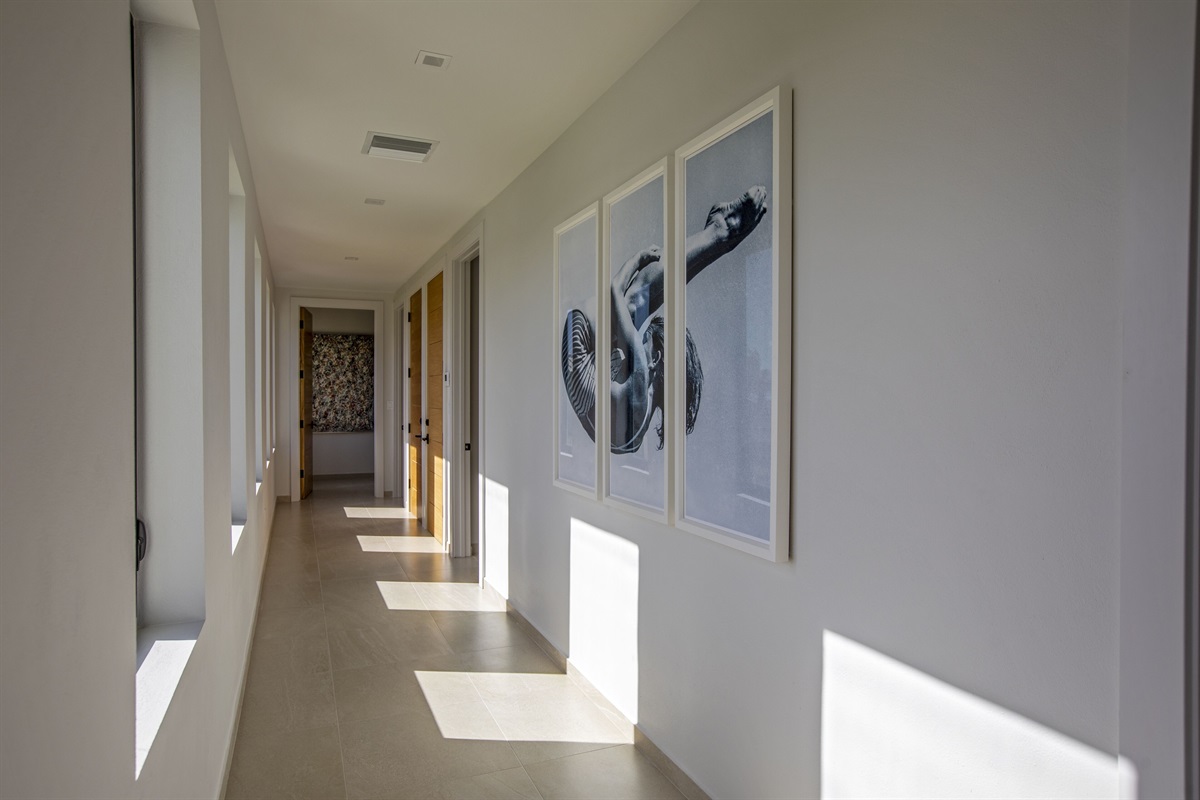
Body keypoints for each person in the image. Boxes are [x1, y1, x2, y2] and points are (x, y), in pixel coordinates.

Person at [562, 186, 767, 454]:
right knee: (640, 312)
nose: (640, 334)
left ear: (658, 359)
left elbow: (616, 290)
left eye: (644, 338)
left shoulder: (640, 379)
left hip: (579, 339)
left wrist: (638, 259)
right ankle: (716, 237)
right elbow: (618, 442)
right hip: (590, 395)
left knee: (635, 302)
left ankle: (719, 232)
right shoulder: (643, 414)